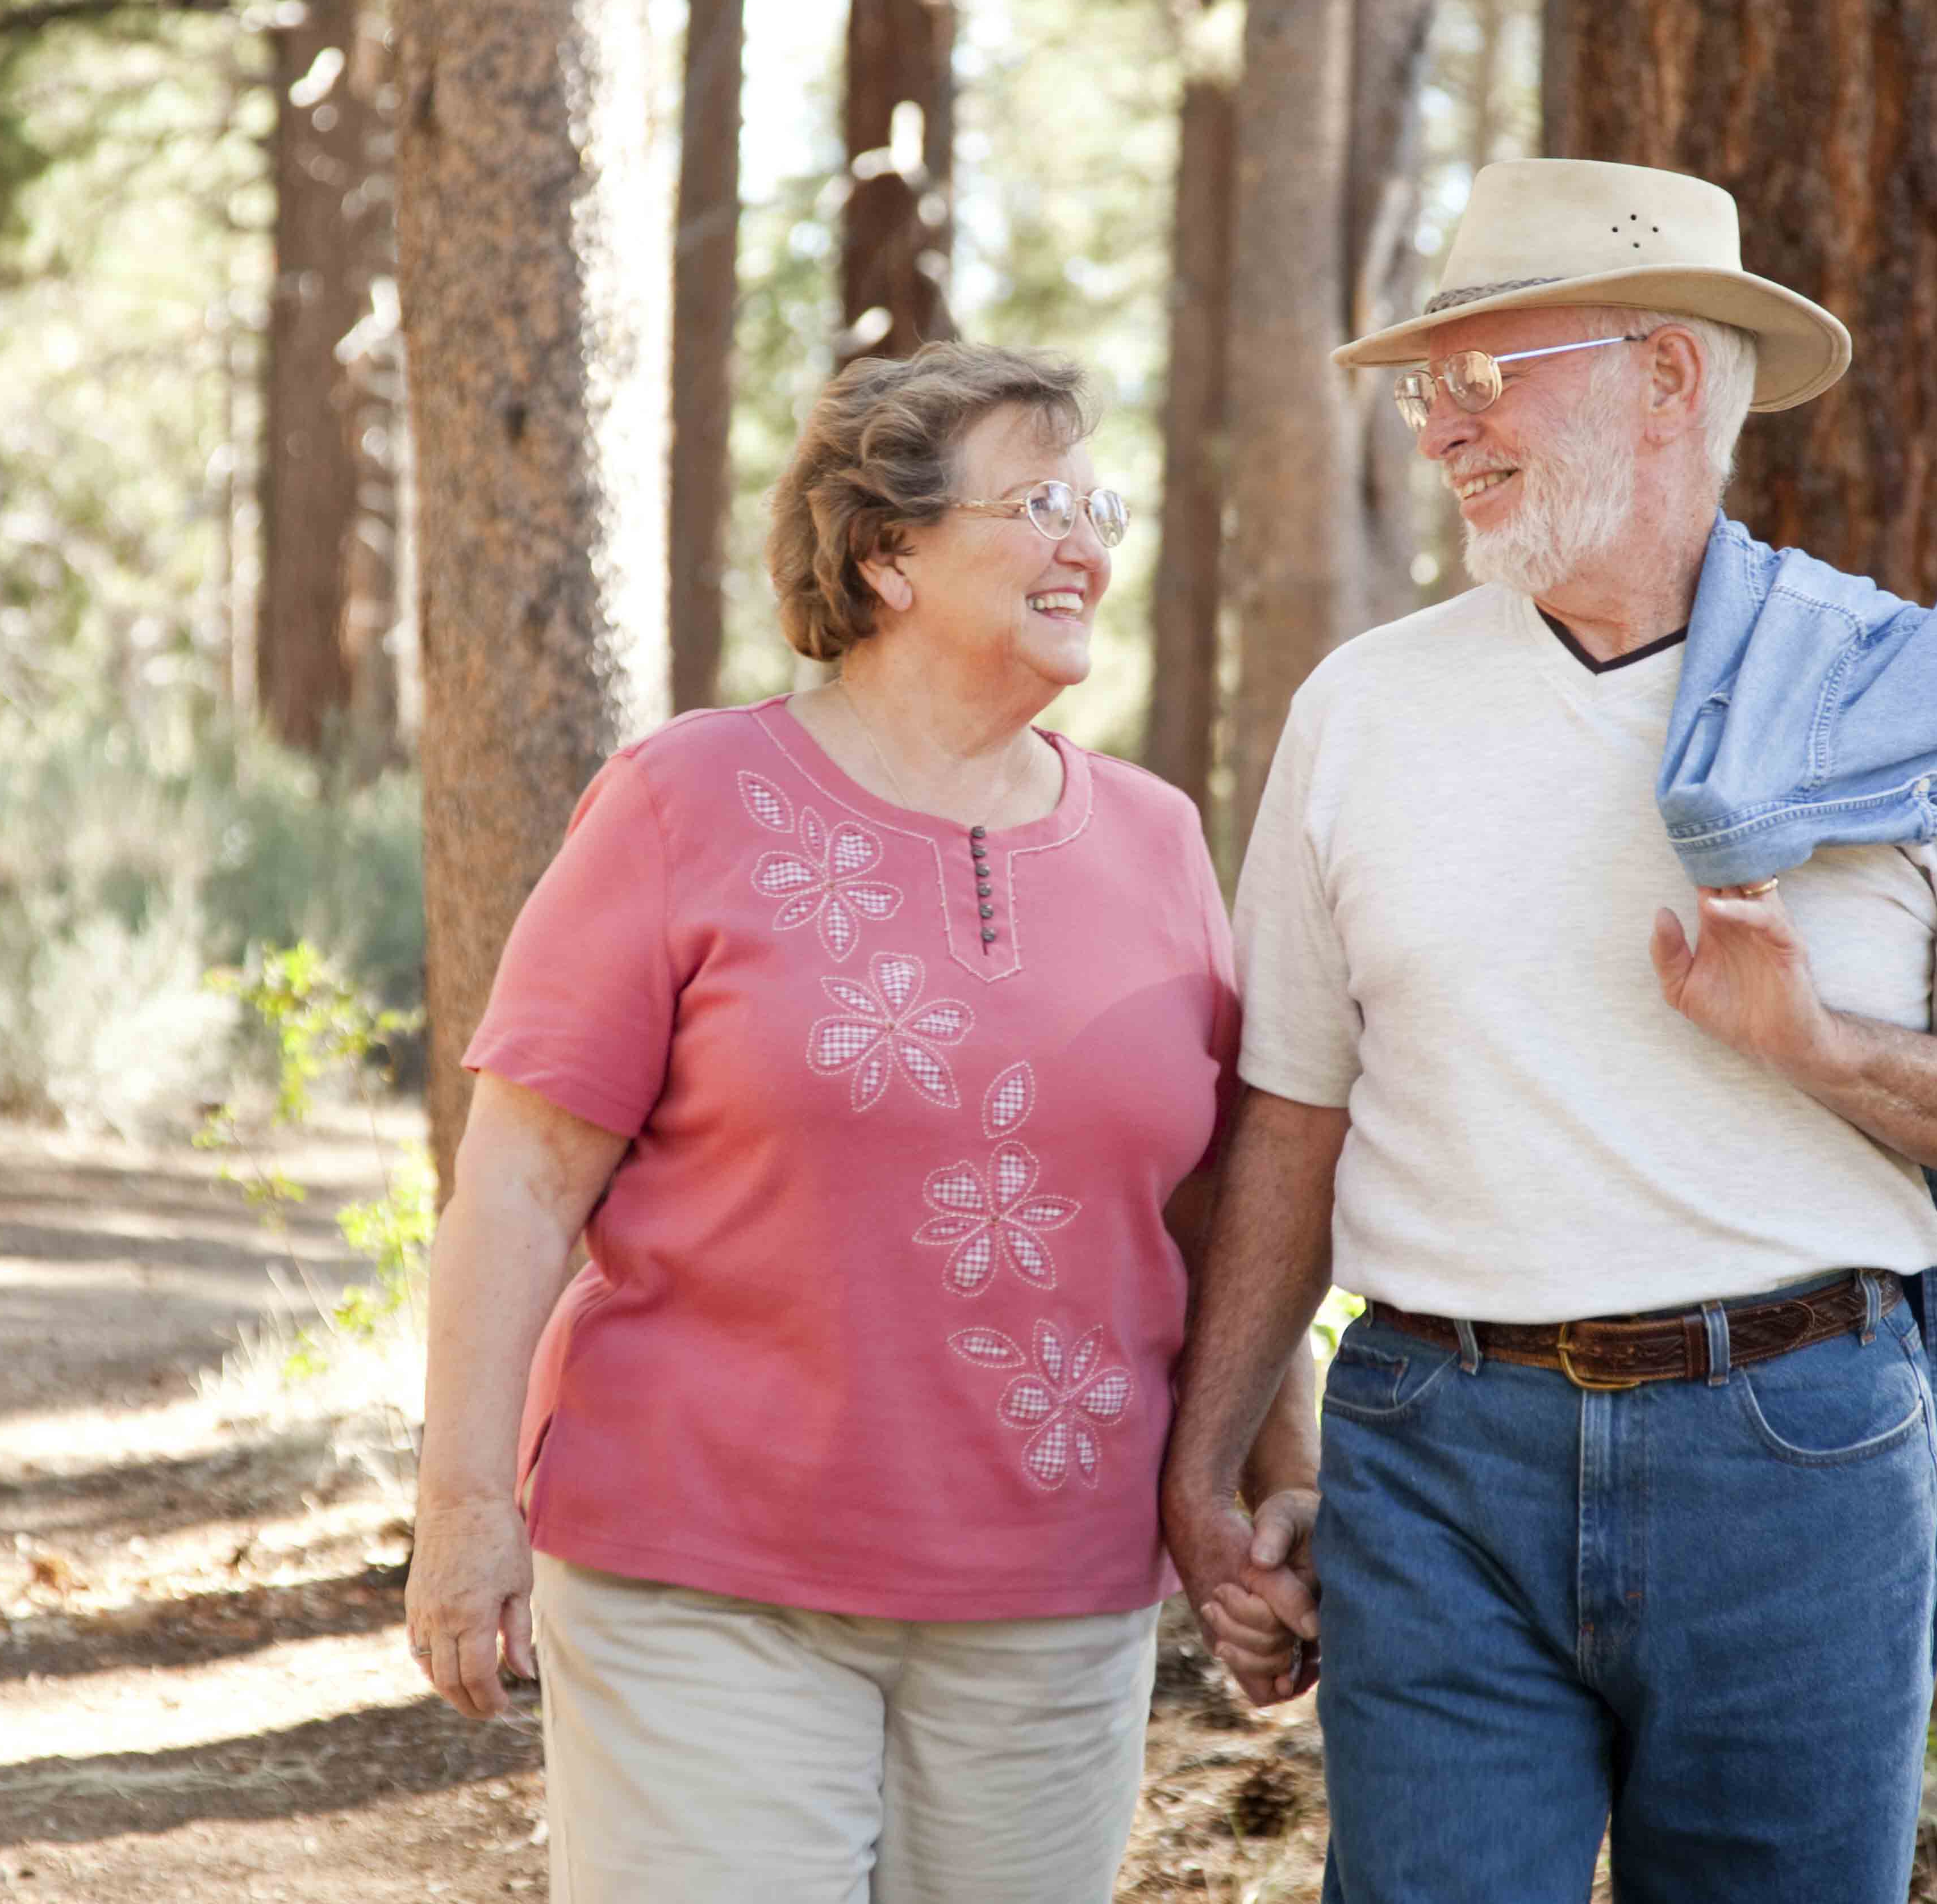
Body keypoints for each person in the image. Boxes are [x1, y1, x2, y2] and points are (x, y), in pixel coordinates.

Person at [1164, 158, 1937, 1903]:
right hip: (1433, 1450)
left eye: (1484, 377)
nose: (1441, 431)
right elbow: (1292, 1116)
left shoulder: (1903, 700)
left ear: (1668, 374)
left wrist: (1823, 1048)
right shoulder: (1361, 710)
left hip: (1798, 1456)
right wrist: (1209, 1458)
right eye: (1425, 391)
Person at [405, 341, 1313, 1903]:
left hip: (1055, 1586)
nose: (1088, 542)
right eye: (1037, 503)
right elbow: (521, 1177)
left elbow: (1225, 1215)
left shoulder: (1157, 840)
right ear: (887, 552)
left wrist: (1264, 1488)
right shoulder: (685, 799)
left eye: (1098, 502)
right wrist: (467, 1503)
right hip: (705, 1576)